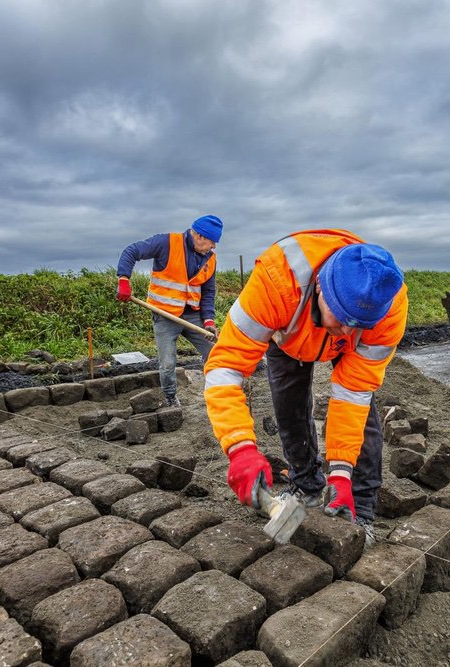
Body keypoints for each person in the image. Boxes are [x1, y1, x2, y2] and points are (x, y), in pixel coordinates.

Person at [203, 229, 408, 546]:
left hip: (346, 344)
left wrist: (340, 472)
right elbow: (225, 369)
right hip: (288, 334)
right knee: (289, 407)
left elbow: (352, 394)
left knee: (363, 414)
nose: (346, 332)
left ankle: (360, 507)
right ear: (323, 290)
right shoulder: (276, 280)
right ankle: (307, 485)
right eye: (341, 319)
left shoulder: (387, 307)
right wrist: (240, 449)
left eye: (358, 325)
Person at [116, 215, 223, 407]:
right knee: (167, 363)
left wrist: (208, 321)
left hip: (193, 316)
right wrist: (124, 279)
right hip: (165, 315)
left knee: (215, 352)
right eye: (212, 242)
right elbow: (131, 251)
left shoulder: (210, 260)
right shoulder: (167, 243)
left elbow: (208, 293)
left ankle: (217, 393)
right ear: (199, 236)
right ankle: (171, 398)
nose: (213, 247)